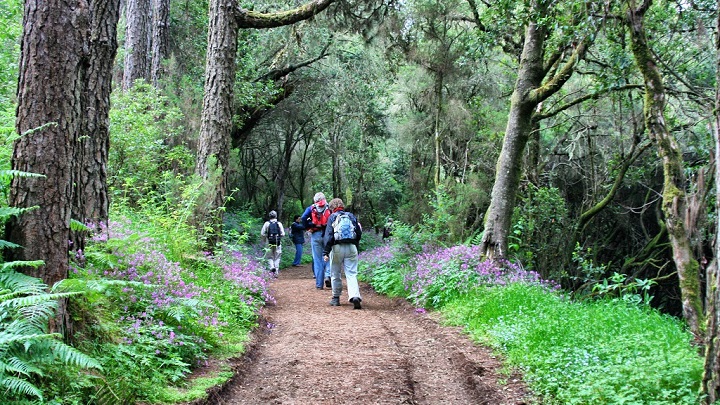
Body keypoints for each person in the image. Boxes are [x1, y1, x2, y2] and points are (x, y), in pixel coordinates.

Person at [323, 198, 363, 309]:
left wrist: (326, 251)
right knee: (351, 273)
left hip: (337, 247)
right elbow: (359, 233)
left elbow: (329, 236)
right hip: (351, 247)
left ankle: (336, 298)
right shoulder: (351, 216)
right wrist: (355, 245)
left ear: (332, 208)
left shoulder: (332, 217)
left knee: (335, 273)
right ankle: (355, 296)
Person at [300, 192, 331, 289]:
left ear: (315, 200)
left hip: (315, 234)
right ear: (324, 198)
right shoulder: (329, 206)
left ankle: (319, 284)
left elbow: (303, 217)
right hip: (327, 234)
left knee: (317, 259)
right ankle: (328, 275)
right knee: (328, 256)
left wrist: (308, 227)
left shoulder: (311, 208)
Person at [260, 210, 285, 277]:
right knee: (277, 257)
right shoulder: (279, 224)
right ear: (276, 216)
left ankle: (271, 267)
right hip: (278, 242)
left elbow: (262, 233)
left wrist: (265, 239)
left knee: (269, 256)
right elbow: (283, 234)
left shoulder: (266, 223)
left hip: (269, 242)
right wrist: (279, 237)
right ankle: (276, 272)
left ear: (269, 216)